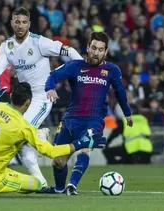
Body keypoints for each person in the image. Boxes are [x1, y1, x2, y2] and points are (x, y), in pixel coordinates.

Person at [0, 6, 83, 187]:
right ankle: (42, 184)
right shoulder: (7, 46)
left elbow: (66, 51)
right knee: (22, 144)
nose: (20, 26)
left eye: (24, 22)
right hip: (25, 101)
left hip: (43, 97)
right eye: (17, 22)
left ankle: (40, 136)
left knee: (20, 134)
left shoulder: (39, 42)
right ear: (12, 23)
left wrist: (82, 67)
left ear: (29, 24)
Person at [40, 32, 133, 195]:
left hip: (94, 120)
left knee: (85, 149)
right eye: (94, 48)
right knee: (58, 161)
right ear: (88, 47)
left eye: (100, 49)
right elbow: (53, 75)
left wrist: (127, 113)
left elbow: (120, 92)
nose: (96, 52)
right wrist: (50, 88)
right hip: (70, 120)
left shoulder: (112, 70)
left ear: (106, 51)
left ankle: (72, 185)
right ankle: (60, 189)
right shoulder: (75, 66)